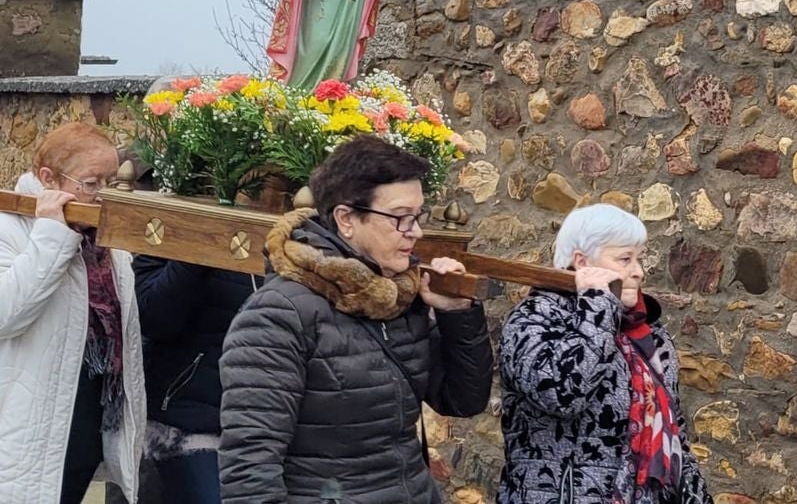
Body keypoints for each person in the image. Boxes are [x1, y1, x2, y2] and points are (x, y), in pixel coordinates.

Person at [219, 135, 493, 503]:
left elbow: (462, 401)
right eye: (400, 218)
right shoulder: (277, 316)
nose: (415, 231)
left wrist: (455, 314)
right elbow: (249, 469)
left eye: (418, 216)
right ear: (346, 219)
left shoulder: (397, 297)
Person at [497, 204, 712, 503]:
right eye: (625, 259)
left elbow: (675, 435)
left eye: (639, 259)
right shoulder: (533, 320)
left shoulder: (647, 333)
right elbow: (563, 394)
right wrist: (598, 304)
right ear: (582, 262)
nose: (638, 272)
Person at [0, 122, 146, 504]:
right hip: (26, 423)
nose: (102, 195)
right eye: (91, 183)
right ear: (48, 178)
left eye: (110, 181)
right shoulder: (9, 226)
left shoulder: (102, 235)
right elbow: (6, 314)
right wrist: (51, 234)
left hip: (85, 416)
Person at [134, 255, 260, 503]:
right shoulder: (172, 227)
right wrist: (195, 254)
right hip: (186, 422)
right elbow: (152, 318)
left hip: (264, 422)